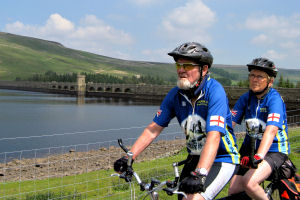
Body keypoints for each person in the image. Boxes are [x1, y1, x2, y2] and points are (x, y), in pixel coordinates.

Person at [114, 42, 239, 200]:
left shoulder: (215, 91)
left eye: (187, 66)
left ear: (204, 69)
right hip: (194, 157)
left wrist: (200, 173)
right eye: (178, 66)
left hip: (222, 157)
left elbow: (214, 136)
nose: (180, 70)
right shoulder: (175, 95)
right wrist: (129, 157)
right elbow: (153, 129)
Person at [228, 58, 290, 200]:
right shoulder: (246, 98)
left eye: (260, 76)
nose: (254, 79)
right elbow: (229, 124)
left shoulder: (274, 99)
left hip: (274, 150)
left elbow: (271, 130)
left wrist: (259, 156)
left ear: (270, 81)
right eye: (252, 75)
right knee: (234, 191)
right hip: (249, 149)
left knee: (250, 183)